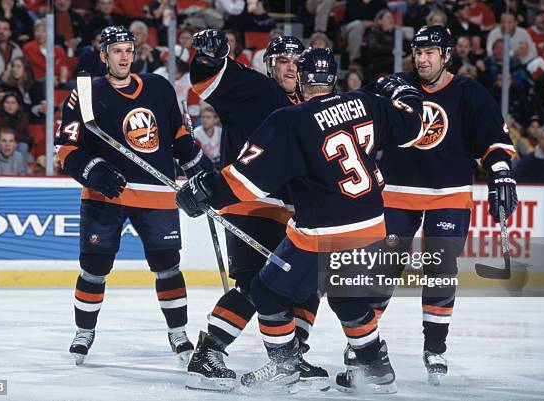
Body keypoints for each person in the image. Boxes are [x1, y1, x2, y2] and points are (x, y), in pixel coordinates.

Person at [176, 47, 425, 392]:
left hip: (322, 228)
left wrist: (204, 191)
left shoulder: (291, 119)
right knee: (344, 294)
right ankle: (375, 367)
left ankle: (286, 365)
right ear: (334, 78)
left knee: (265, 289)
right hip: (371, 224)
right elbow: (413, 126)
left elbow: (247, 181)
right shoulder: (366, 102)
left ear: (303, 79)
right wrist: (407, 92)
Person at [344, 25, 518, 385]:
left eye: (430, 53)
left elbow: (494, 139)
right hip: (397, 191)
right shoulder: (395, 84)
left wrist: (500, 172)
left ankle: (434, 347)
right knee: (383, 268)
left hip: (448, 193)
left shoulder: (469, 92)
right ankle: (366, 342)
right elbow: (352, 112)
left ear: (447, 55)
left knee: (440, 268)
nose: (422, 60)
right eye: (417, 53)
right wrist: (374, 91)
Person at [54, 25, 211, 366]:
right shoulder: (85, 94)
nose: (124, 57)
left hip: (156, 194)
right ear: (104, 56)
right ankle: (84, 331)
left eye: (128, 50)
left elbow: (179, 134)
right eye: (116, 51)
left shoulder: (158, 87)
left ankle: (178, 332)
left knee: (168, 267)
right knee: (94, 267)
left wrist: (201, 169)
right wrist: (93, 170)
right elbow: (66, 148)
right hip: (105, 195)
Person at [186, 30, 327, 391]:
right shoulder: (258, 91)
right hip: (253, 204)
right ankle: (208, 352)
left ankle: (290, 356)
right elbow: (210, 77)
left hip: (297, 213)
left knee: (309, 284)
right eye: (282, 61)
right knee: (254, 285)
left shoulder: (313, 102)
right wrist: (209, 56)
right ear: (269, 66)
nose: (291, 67)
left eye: (297, 61)